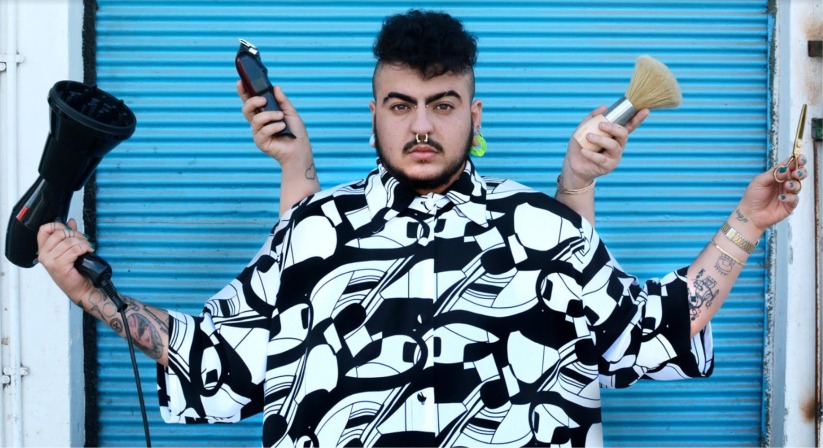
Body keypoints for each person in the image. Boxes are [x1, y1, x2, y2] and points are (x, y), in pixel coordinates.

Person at [37, 9, 806, 447]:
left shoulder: (542, 229)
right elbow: (220, 357)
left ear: (473, 115)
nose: (421, 127)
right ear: (375, 114)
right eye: (400, 105)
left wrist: (745, 222)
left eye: (442, 105)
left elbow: (652, 329)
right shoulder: (313, 231)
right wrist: (93, 295)